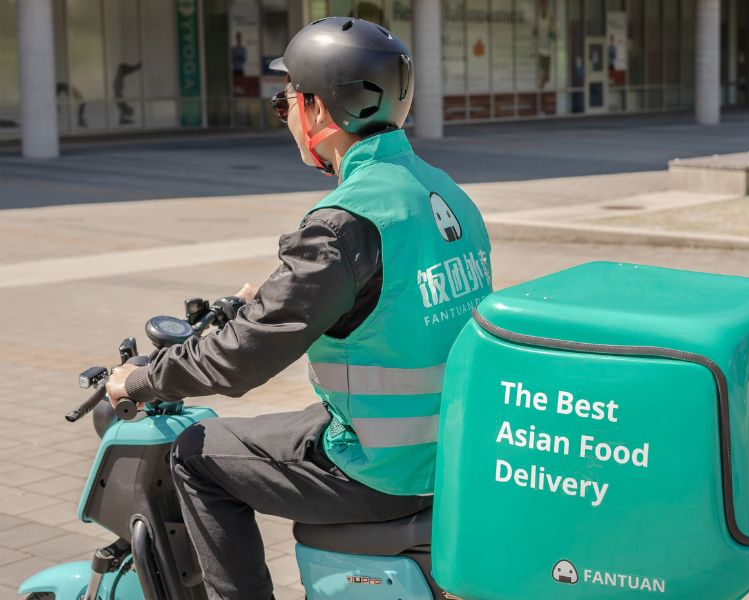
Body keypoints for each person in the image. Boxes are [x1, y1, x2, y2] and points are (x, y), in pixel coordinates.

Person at [105, 17, 492, 600]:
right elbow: (383, 293)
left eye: (284, 101)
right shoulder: (442, 192)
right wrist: (265, 294)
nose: (284, 115)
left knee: (195, 456)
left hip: (382, 466)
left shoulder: (343, 223)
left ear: (317, 109)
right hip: (443, 445)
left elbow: (241, 359)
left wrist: (140, 378)